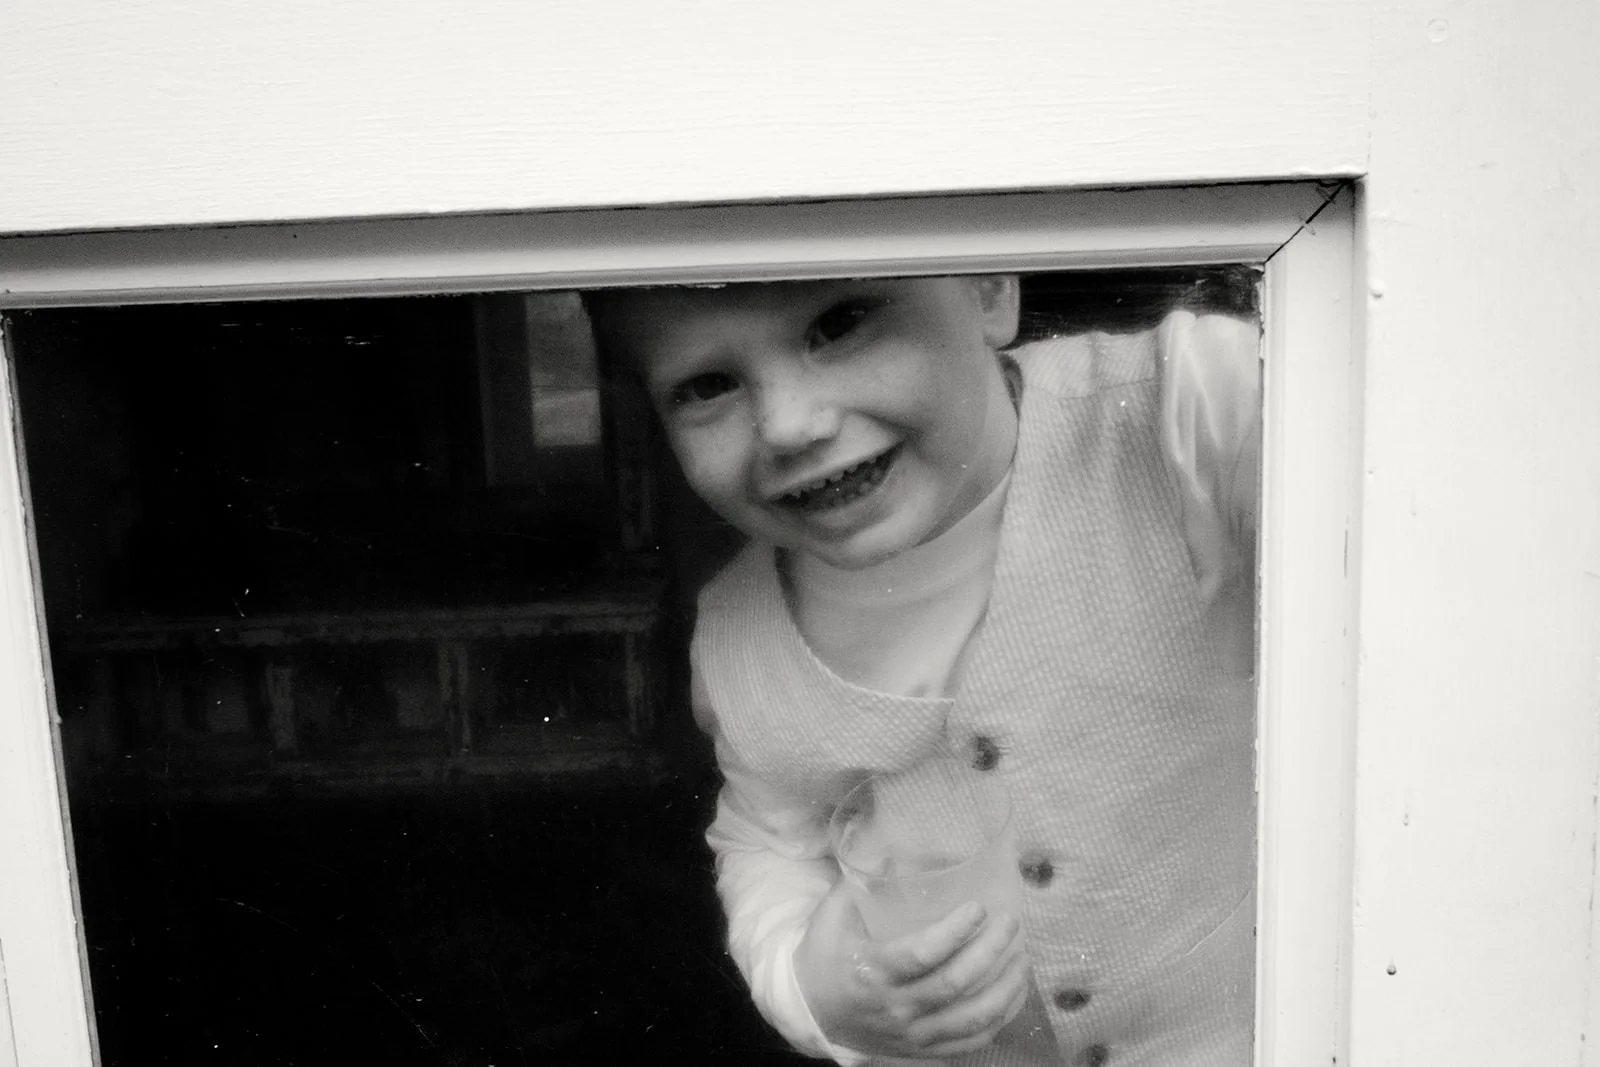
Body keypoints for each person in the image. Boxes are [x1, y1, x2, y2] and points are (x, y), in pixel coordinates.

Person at [589, 275, 1260, 1066]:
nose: (790, 425)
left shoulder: (1184, 410)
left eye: (840, 322)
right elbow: (768, 839)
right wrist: (811, 988)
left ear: (987, 289)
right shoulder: (739, 634)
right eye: (708, 385)